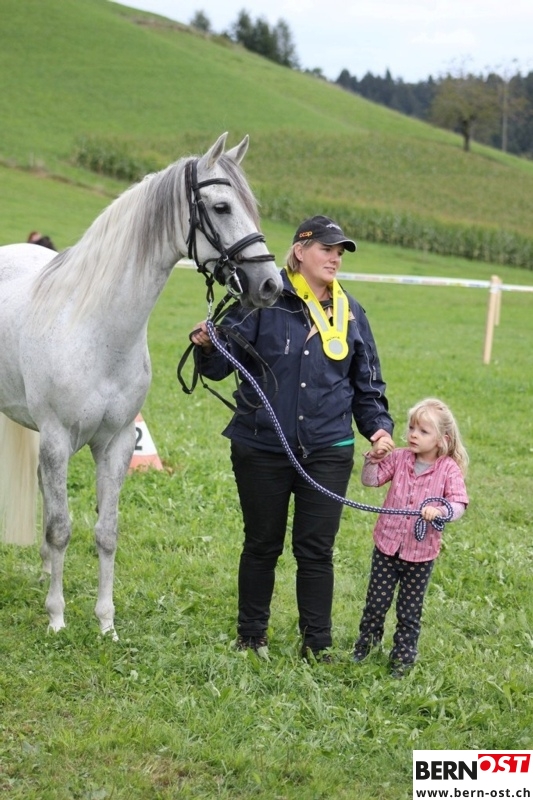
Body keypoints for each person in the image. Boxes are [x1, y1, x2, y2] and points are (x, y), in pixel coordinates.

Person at [190, 215, 395, 661]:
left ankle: (317, 644)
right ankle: (251, 637)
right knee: (261, 544)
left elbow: (367, 385)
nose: (335, 258)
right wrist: (207, 345)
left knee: (316, 550)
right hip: (261, 446)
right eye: (326, 249)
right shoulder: (259, 300)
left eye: (339, 252)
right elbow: (220, 366)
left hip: (329, 450)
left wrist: (378, 428)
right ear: (300, 252)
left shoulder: (352, 313)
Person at [352, 397, 469, 677]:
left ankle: (403, 659)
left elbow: (459, 504)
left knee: (409, 611)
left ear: (442, 440)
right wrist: (373, 459)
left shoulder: (448, 469)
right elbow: (370, 480)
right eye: (412, 428)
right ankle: (365, 649)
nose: (413, 435)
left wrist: (440, 510)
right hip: (387, 547)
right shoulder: (400, 458)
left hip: (420, 555)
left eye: (423, 431)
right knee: (375, 604)